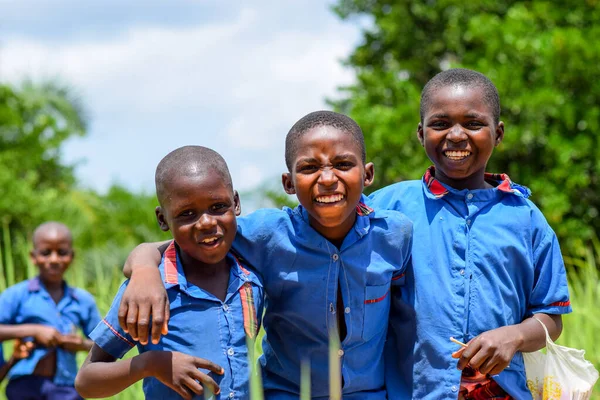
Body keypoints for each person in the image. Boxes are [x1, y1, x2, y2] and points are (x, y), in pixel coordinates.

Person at [117, 111, 413, 399]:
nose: (326, 178)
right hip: (289, 393)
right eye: (309, 168)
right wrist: (143, 270)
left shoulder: (393, 235)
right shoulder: (266, 235)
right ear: (288, 183)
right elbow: (185, 239)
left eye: (343, 164)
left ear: (368, 174)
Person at [369, 68, 571, 399]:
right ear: (421, 134)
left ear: (498, 133)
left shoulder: (527, 219)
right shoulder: (388, 208)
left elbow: (551, 317)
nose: (457, 135)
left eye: (474, 124)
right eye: (440, 124)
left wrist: (514, 336)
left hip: (505, 391)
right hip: (412, 391)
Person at [75, 146, 264, 399]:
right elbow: (86, 381)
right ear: (162, 219)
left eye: (218, 206)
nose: (206, 223)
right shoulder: (148, 291)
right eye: (187, 213)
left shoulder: (251, 277)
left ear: (236, 203)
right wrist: (152, 364)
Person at [0, 221, 101, 400]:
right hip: (24, 385)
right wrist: (34, 330)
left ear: (72, 255)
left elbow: (104, 344)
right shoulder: (17, 295)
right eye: (46, 253)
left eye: (62, 252)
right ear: (33, 256)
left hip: (67, 387)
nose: (54, 259)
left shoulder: (83, 300)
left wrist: (81, 345)